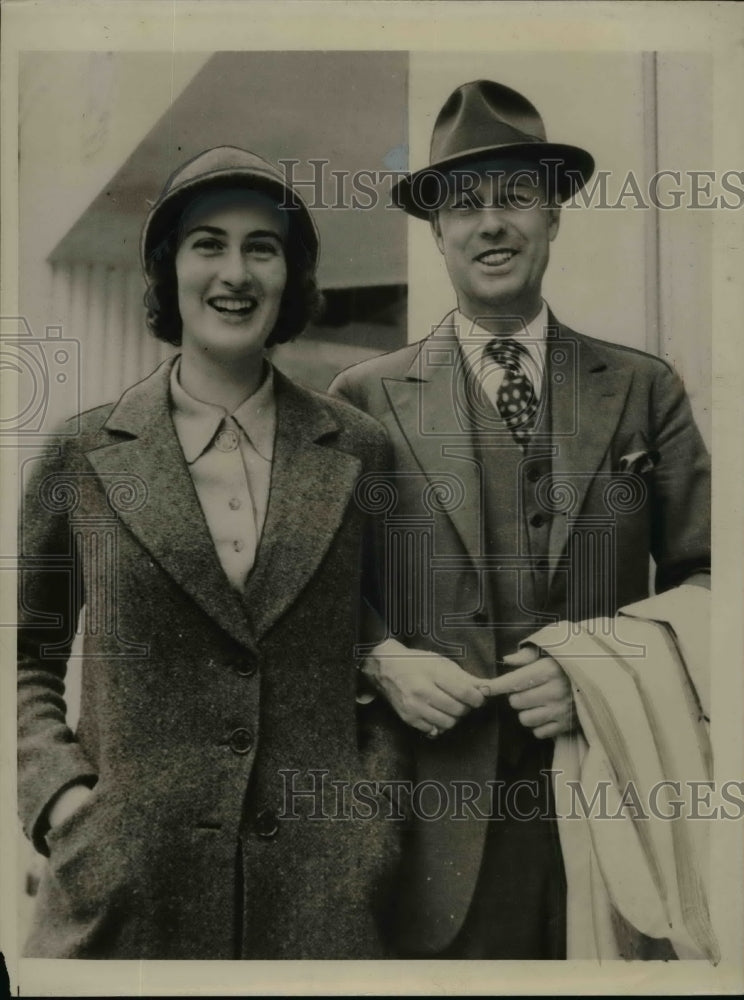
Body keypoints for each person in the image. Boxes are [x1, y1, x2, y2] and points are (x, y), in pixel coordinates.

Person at [329, 80, 711, 959]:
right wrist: (380, 658)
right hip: (431, 830)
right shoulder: (364, 400)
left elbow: (713, 577)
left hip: (615, 808)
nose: (490, 224)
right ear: (436, 232)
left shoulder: (643, 389)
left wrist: (601, 671)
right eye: (464, 205)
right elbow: (313, 591)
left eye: (516, 197)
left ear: (555, 215)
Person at [17, 146, 406, 959]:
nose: (236, 272)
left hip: (319, 902)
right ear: (167, 272)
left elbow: (390, 646)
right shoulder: (80, 453)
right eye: (209, 244)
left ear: (290, 275)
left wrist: (372, 822)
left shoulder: (360, 449)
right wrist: (60, 798)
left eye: (262, 248)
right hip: (124, 896)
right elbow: (25, 656)